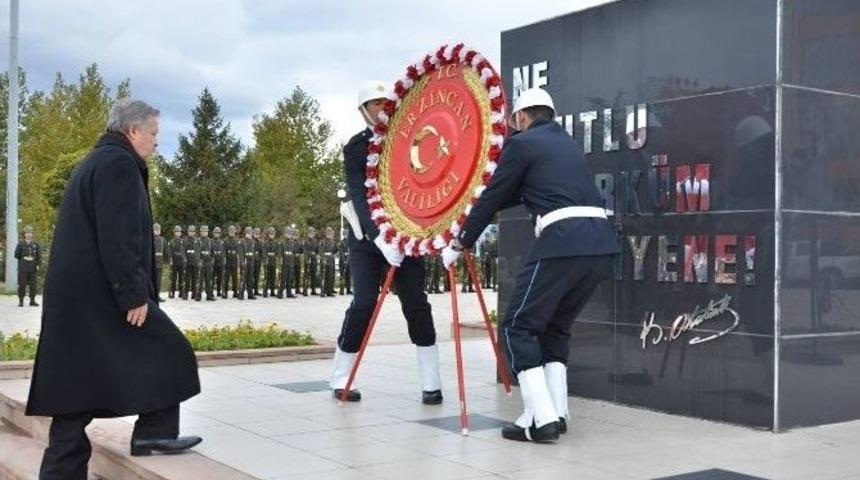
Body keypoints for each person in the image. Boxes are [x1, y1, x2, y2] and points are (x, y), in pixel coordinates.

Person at [26, 99, 201, 479]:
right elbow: (118, 236)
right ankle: (153, 434)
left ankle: (141, 439)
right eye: (153, 133)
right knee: (170, 350)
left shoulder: (101, 160)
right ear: (133, 131)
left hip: (82, 300)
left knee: (76, 388)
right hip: (103, 295)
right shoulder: (118, 165)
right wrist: (132, 293)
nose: (157, 142)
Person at [443, 87, 619, 443]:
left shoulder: (521, 144)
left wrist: (460, 241)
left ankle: (540, 419)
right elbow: (512, 193)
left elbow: (494, 195)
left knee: (515, 327)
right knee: (555, 327)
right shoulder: (567, 145)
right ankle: (557, 412)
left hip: (562, 241)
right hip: (601, 243)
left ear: (522, 118)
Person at [330, 81, 442, 405]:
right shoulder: (355, 147)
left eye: (385, 102)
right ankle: (341, 378)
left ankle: (431, 382)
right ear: (363, 111)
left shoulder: (410, 140)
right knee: (364, 303)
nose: (381, 108)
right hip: (367, 238)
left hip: (404, 238)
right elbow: (361, 196)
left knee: (416, 304)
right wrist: (379, 236)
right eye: (374, 104)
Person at [14, 225, 41, 307]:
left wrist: (38, 265)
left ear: (32, 234)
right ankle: (21, 301)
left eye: (30, 233)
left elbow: (38, 256)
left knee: (33, 285)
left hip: (32, 267)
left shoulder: (35, 244)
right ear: (25, 234)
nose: (29, 234)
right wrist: (24, 259)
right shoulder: (21, 244)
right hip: (23, 267)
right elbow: (16, 255)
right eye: (27, 233)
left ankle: (32, 301)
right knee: (22, 284)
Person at [279, 226, 299, 298]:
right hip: (285, 261)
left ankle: (289, 292)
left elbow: (294, 251)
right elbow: (280, 253)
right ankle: (280, 292)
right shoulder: (282, 243)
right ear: (284, 234)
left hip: (291, 261)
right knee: (283, 278)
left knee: (290, 278)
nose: (289, 235)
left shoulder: (292, 243)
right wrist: (280, 262)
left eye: (290, 233)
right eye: (287, 233)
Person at [198, 225, 216, 301]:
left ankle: (209, 295)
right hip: (201, 262)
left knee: (209, 280)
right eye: (203, 231)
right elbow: (196, 252)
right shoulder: (198, 240)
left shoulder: (210, 241)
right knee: (200, 280)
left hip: (208, 263)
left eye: (206, 231)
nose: (205, 233)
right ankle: (198, 295)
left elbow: (212, 252)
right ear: (200, 232)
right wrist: (198, 261)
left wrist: (212, 260)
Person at [167, 226, 186, 299]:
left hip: (181, 262)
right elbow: (170, 253)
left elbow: (184, 252)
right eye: (177, 231)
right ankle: (172, 292)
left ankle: (181, 292)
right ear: (174, 232)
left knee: (181, 278)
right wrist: (171, 260)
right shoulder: (171, 242)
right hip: (174, 262)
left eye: (179, 232)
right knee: (173, 278)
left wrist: (184, 259)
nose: (178, 233)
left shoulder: (183, 242)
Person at [183, 225, 201, 301]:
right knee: (187, 278)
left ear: (195, 232)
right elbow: (182, 249)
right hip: (187, 261)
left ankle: (194, 293)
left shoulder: (197, 240)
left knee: (195, 278)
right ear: (188, 232)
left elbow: (199, 250)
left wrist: (199, 260)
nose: (191, 232)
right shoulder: (184, 240)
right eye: (190, 231)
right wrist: (184, 258)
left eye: (193, 231)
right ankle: (186, 294)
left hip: (195, 261)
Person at [319, 226, 338, 297]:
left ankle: (329, 291)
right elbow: (321, 252)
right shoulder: (322, 242)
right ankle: (323, 291)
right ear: (325, 233)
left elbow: (336, 250)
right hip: (325, 260)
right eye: (328, 233)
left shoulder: (333, 242)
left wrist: (333, 255)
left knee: (330, 276)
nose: (329, 234)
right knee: (324, 276)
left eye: (330, 233)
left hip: (331, 260)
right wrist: (323, 259)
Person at [223, 225, 241, 299]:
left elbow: (239, 250)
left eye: (233, 232)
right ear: (228, 232)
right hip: (227, 260)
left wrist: (239, 259)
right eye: (230, 231)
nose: (232, 233)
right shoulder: (225, 240)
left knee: (235, 278)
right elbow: (223, 251)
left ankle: (235, 292)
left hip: (234, 260)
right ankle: (225, 292)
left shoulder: (237, 240)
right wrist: (224, 259)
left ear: (235, 232)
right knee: (226, 277)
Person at [240, 226, 257, 300]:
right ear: (245, 233)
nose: (249, 235)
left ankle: (250, 294)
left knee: (250, 278)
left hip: (251, 261)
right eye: (248, 233)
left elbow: (253, 252)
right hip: (245, 260)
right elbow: (241, 253)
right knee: (243, 279)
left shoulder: (252, 241)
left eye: (250, 233)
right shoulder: (242, 241)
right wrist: (242, 261)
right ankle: (241, 294)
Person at [262, 226, 279, 297]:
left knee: (273, 277)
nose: (272, 235)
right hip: (268, 261)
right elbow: (264, 253)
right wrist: (265, 261)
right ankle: (265, 291)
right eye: (270, 234)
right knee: (267, 277)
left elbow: (278, 251)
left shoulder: (276, 243)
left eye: (273, 234)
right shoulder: (265, 243)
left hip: (273, 261)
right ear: (268, 234)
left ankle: (272, 291)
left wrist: (277, 258)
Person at [152, 223, 167, 302]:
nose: (157, 231)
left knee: (158, 281)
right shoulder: (149, 239)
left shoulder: (163, 240)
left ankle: (157, 295)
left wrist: (167, 260)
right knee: (151, 281)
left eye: (159, 230)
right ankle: (151, 296)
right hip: (152, 263)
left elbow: (166, 251)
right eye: (156, 230)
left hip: (159, 263)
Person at [212, 226, 226, 298]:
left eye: (218, 233)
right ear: (213, 233)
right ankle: (211, 291)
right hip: (213, 262)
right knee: (212, 277)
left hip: (220, 261)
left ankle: (219, 291)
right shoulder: (210, 241)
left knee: (220, 278)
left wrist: (224, 260)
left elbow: (223, 252)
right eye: (215, 233)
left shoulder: (222, 242)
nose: (217, 234)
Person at [338, 229, 351, 295]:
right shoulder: (341, 242)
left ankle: (348, 290)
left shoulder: (350, 242)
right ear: (343, 235)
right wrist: (344, 260)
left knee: (349, 275)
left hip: (349, 260)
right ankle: (341, 290)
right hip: (343, 261)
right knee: (342, 275)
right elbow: (341, 252)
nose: (346, 235)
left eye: (347, 234)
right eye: (345, 234)